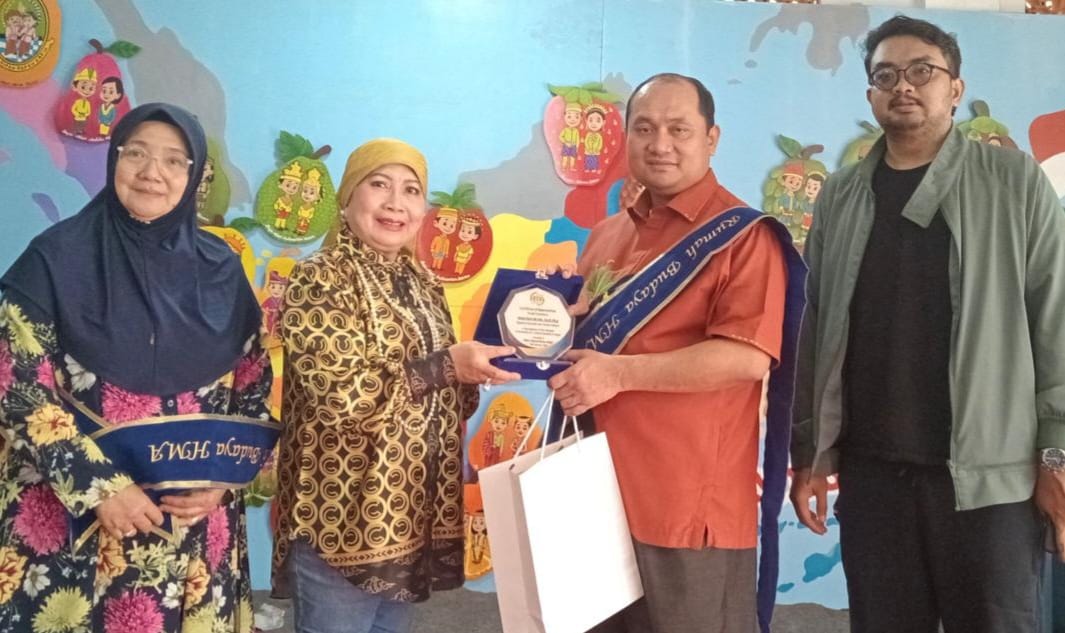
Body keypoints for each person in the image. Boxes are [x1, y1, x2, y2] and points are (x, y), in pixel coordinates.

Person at [790, 16, 1065, 633]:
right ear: (870, 95)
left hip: (989, 481)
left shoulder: (1013, 181)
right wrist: (810, 451)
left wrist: (1057, 455)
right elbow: (818, 331)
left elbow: (1057, 322)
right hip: (873, 474)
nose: (904, 86)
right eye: (886, 75)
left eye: (922, 71)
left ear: (955, 88)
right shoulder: (841, 195)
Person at [0, 103, 272, 632]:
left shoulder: (222, 269)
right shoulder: (54, 260)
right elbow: (18, 390)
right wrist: (101, 488)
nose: (152, 172)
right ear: (114, 160)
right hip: (72, 526)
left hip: (191, 533)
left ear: (194, 176)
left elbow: (252, 389)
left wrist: (225, 480)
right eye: (137, 154)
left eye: (174, 160)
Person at [548, 73, 805, 633]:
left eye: (678, 129)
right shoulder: (607, 235)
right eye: (644, 128)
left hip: (684, 508)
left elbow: (745, 358)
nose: (660, 144)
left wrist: (619, 374)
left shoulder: (744, 237)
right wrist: (545, 317)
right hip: (592, 494)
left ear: (712, 139)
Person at [271, 138, 521, 633]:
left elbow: (448, 399)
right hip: (340, 520)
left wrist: (520, 335)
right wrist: (446, 366)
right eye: (379, 184)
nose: (395, 203)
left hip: (406, 519)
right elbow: (341, 396)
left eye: (411, 190)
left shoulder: (423, 282)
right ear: (348, 197)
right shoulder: (320, 278)